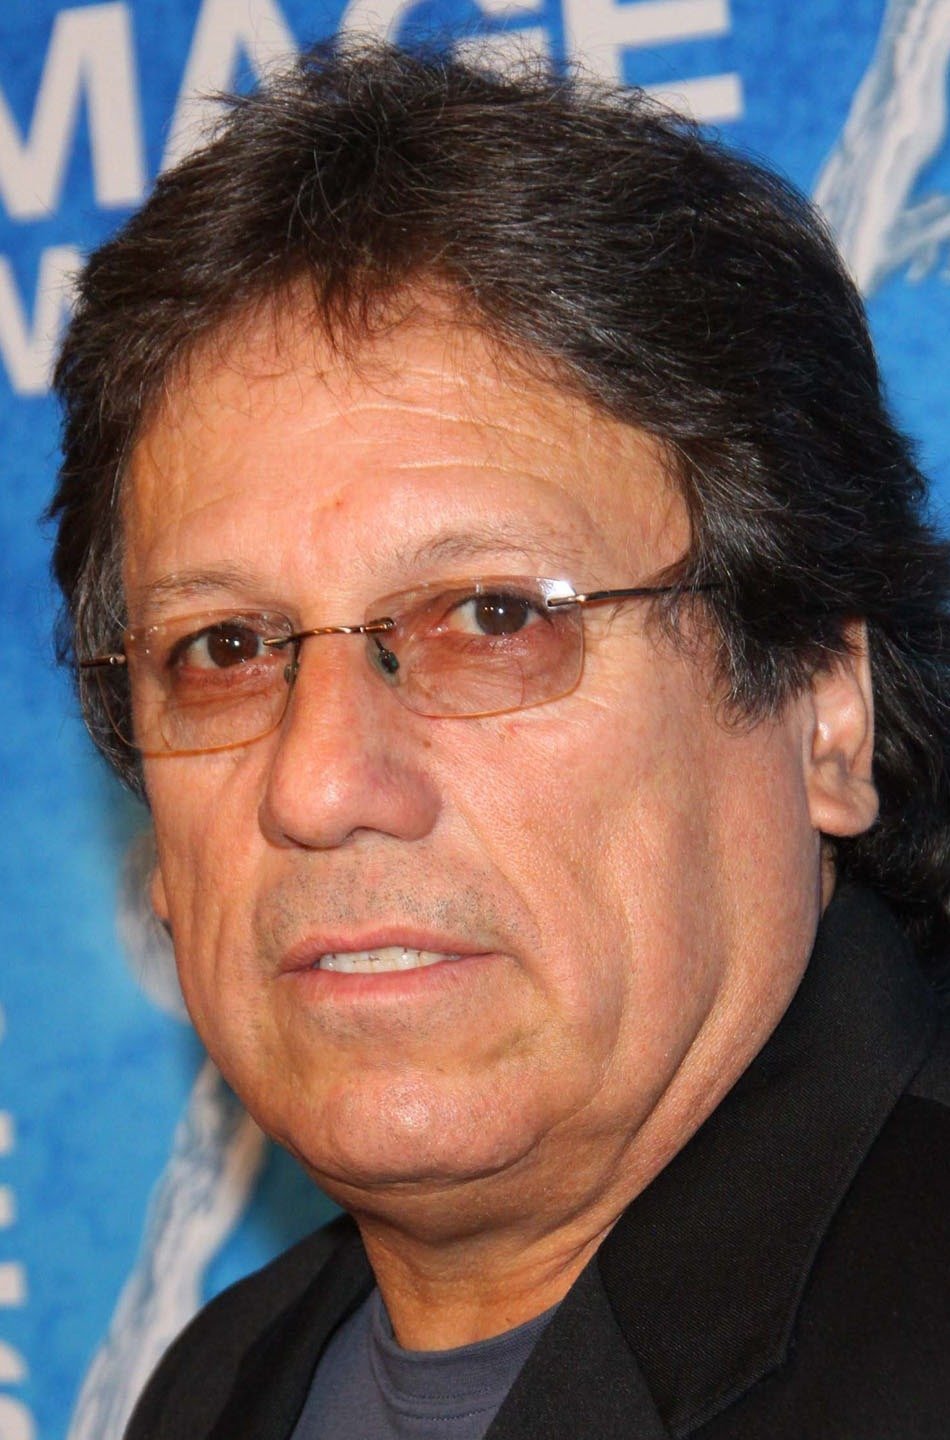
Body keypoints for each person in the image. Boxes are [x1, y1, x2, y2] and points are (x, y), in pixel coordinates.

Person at [49, 41, 950, 1440]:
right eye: (224, 648)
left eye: (491, 616)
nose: (320, 782)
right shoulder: (222, 1384)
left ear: (824, 709)